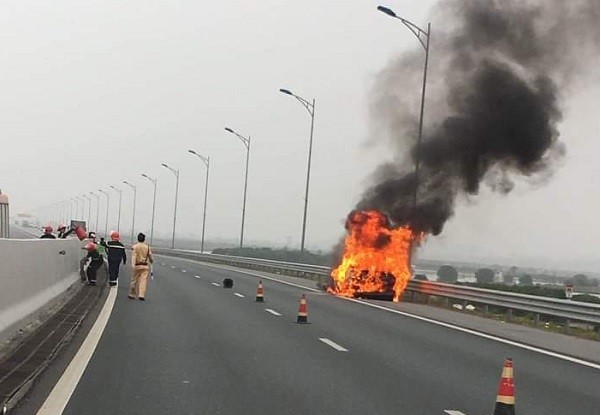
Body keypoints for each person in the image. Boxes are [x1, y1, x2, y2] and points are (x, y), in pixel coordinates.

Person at [129, 232, 153, 300]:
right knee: (143, 281)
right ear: (144, 239)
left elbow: (134, 256)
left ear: (138, 239)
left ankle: (132, 294)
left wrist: (133, 265)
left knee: (134, 280)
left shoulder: (135, 247)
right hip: (145, 266)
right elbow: (150, 256)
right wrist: (151, 261)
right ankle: (141, 295)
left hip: (137, 265)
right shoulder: (147, 247)